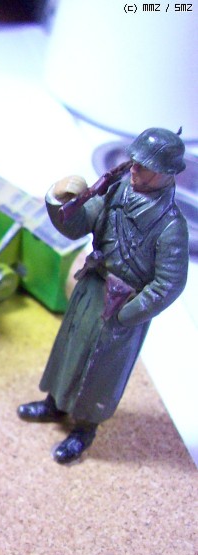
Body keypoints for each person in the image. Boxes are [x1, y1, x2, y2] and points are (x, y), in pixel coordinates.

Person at [18, 127, 189, 463]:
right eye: (134, 161)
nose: (134, 168)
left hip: (124, 306)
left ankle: (84, 428)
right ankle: (55, 403)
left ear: (166, 173)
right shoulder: (117, 191)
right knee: (70, 349)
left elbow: (169, 284)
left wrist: (128, 314)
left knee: (101, 371)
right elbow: (77, 225)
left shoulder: (171, 227)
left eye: (144, 166)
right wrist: (60, 198)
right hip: (92, 288)